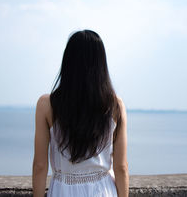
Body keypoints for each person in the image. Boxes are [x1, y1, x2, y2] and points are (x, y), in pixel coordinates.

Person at [32, 29, 129, 197]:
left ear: (68, 62)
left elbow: (40, 166)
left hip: (63, 191)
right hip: (103, 190)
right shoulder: (114, 105)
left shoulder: (46, 105)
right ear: (100, 64)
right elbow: (121, 167)